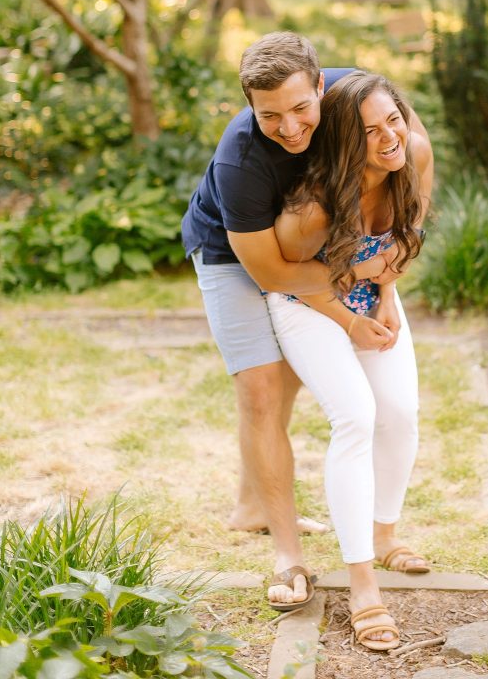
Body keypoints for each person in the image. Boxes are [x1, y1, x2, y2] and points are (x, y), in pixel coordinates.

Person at [181, 33, 432, 611]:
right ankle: (286, 555)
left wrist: (386, 280)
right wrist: (354, 296)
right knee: (263, 388)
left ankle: (253, 500)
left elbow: (414, 150)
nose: (291, 128)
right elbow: (274, 272)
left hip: (325, 246)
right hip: (238, 251)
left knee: (301, 375)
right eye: (270, 116)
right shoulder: (239, 160)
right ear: (248, 104)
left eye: (300, 110)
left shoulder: (356, 95)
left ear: (321, 85)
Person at [266, 70, 432, 651]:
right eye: (368, 131)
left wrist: (384, 297)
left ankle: (386, 534)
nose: (388, 137)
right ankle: (363, 585)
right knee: (357, 416)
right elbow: (288, 276)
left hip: (369, 295)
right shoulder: (311, 208)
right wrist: (349, 321)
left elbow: (405, 235)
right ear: (343, 141)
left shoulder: (408, 156)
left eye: (393, 119)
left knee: (401, 412)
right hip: (307, 303)